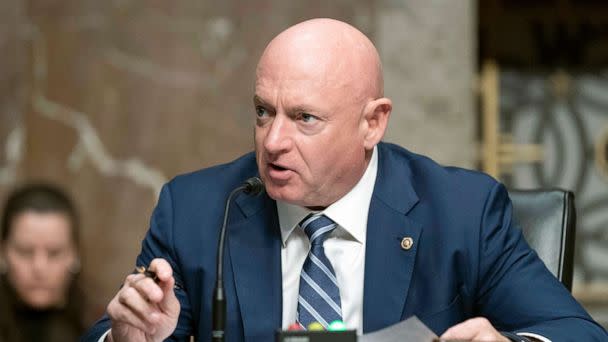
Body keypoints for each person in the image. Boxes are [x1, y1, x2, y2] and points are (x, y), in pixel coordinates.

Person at [83, 18, 608, 342]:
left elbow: (576, 334)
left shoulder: (462, 212)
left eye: (304, 118)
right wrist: (128, 340)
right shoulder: (198, 210)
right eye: (264, 111)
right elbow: (127, 330)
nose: (272, 141)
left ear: (372, 122)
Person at [0, 183, 86, 341]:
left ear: (74, 255)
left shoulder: (105, 328)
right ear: (3, 252)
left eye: (54, 253)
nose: (39, 268)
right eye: (25, 252)